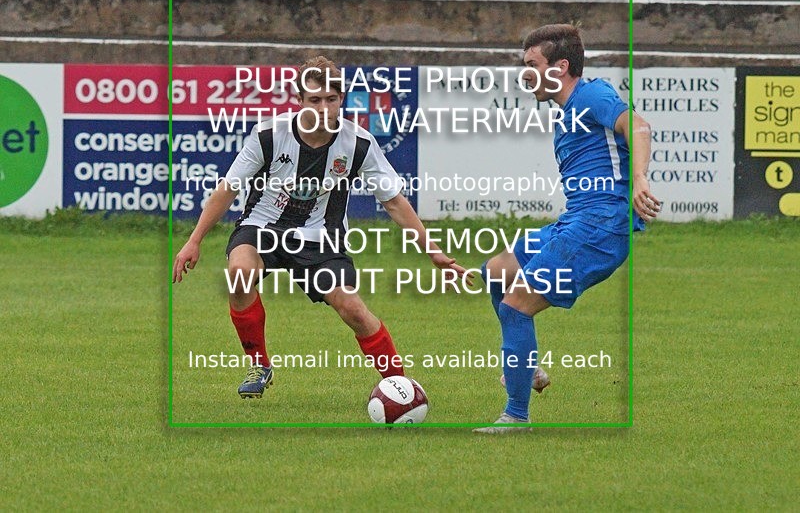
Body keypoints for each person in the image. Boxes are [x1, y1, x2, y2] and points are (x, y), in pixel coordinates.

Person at [172, 56, 467, 399]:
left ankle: (400, 387)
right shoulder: (269, 134)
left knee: (352, 308)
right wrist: (194, 240)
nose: (324, 108)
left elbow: (394, 202)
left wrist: (434, 253)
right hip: (262, 226)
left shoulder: (358, 144)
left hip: (320, 236)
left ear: (342, 99)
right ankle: (260, 364)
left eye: (331, 99)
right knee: (239, 273)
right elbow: (228, 189)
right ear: (299, 101)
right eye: (314, 100)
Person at [475, 24, 661, 433]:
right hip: (576, 221)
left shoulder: (591, 95)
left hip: (599, 228)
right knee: (496, 271)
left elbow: (639, 127)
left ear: (560, 68)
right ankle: (526, 366)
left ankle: (516, 415)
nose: (525, 74)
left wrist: (641, 179)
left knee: (515, 306)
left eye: (531, 65)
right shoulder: (567, 110)